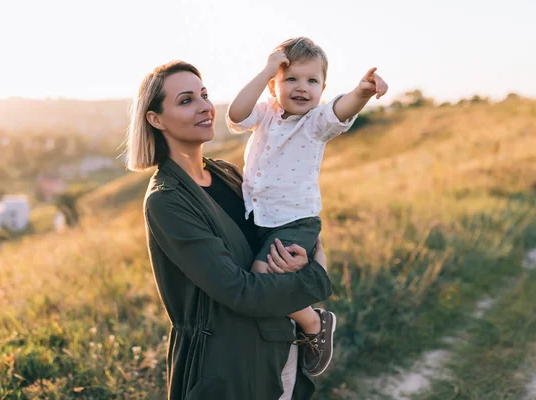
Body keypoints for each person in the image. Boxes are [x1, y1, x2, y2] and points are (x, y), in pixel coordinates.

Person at [126, 60, 333, 400]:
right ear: (155, 119)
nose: (204, 106)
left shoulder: (227, 173)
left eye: (204, 95)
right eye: (186, 100)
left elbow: (274, 234)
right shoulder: (167, 201)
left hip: (279, 344)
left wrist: (299, 260)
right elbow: (237, 290)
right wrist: (316, 276)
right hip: (227, 365)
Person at [226, 37, 389, 376]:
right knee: (264, 279)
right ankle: (287, 340)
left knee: (260, 276)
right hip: (259, 218)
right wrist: (266, 71)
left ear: (323, 87)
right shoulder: (266, 112)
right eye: (291, 79)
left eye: (312, 81)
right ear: (274, 86)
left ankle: (314, 322)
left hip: (296, 221)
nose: (302, 88)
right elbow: (236, 113)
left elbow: (341, 109)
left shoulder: (315, 122)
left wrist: (362, 92)